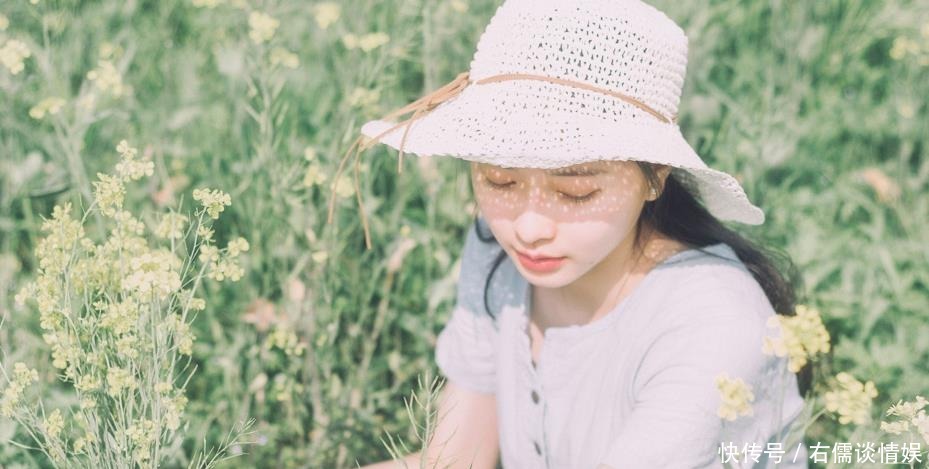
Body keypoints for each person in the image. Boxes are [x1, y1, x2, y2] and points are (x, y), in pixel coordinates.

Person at [340, 0, 812, 467]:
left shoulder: (712, 325)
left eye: (577, 192)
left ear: (656, 177)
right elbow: (457, 456)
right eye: (499, 181)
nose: (528, 228)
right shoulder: (495, 252)